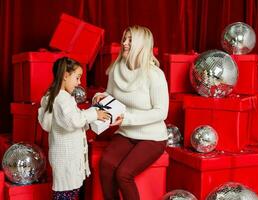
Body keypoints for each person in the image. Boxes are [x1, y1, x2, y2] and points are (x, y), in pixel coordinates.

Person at [93, 25, 169, 200]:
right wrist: (101, 96)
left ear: (142, 45)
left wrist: (127, 118)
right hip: (126, 132)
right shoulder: (116, 69)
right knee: (105, 166)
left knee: (123, 174)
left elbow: (161, 112)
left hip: (152, 137)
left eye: (130, 40)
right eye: (124, 39)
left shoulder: (155, 75)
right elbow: (111, 94)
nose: (125, 43)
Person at [38, 57, 111, 200]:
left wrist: (92, 120)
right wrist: (94, 113)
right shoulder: (62, 99)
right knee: (66, 194)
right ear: (65, 76)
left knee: (67, 193)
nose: (79, 83)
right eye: (77, 78)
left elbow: (72, 120)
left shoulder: (57, 97)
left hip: (66, 160)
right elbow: (73, 121)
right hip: (67, 161)